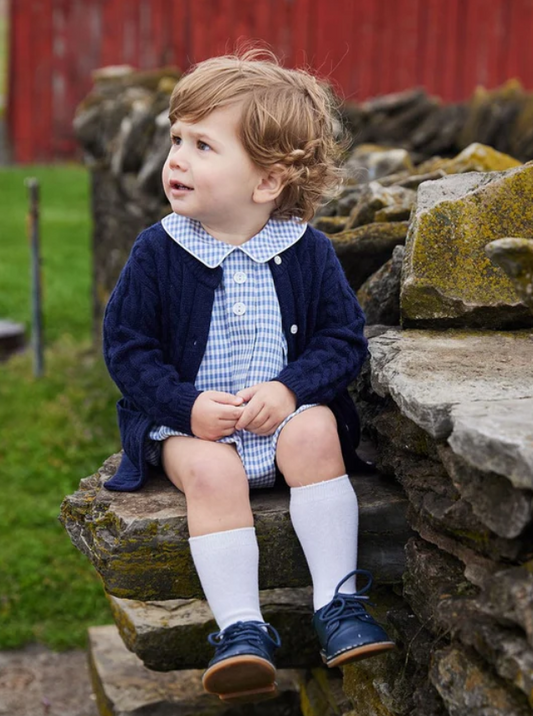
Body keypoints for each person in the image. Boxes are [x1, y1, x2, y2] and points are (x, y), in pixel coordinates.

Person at [102, 49, 395, 705]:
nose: (176, 157)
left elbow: (342, 339)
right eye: (176, 137)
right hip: (192, 428)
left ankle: (338, 606)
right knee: (213, 471)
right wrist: (184, 405)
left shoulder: (305, 251)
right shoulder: (159, 249)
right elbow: (127, 347)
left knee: (317, 428)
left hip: (280, 420)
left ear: (266, 182)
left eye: (203, 145)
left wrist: (290, 390)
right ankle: (240, 629)